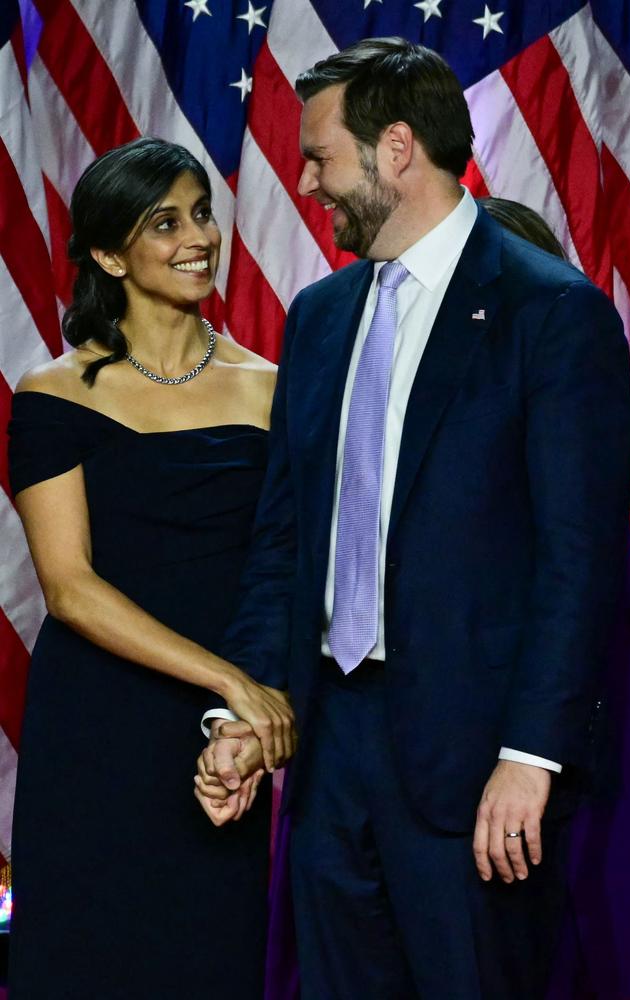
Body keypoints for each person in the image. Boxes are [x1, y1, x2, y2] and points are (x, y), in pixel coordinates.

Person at [195, 38, 630, 999]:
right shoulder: (317, 316)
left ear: (397, 148)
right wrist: (246, 705)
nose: (307, 181)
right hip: (328, 756)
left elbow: (579, 563)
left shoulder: (548, 313)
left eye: (321, 157)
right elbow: (286, 541)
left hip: (476, 766)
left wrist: (530, 757)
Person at [7, 137, 294, 999]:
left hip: (220, 738)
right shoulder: (53, 393)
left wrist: (241, 709)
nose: (197, 237)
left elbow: (285, 567)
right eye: (163, 222)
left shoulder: (272, 386)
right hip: (97, 725)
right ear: (107, 252)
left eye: (201, 213)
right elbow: (69, 587)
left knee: (211, 958)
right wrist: (233, 681)